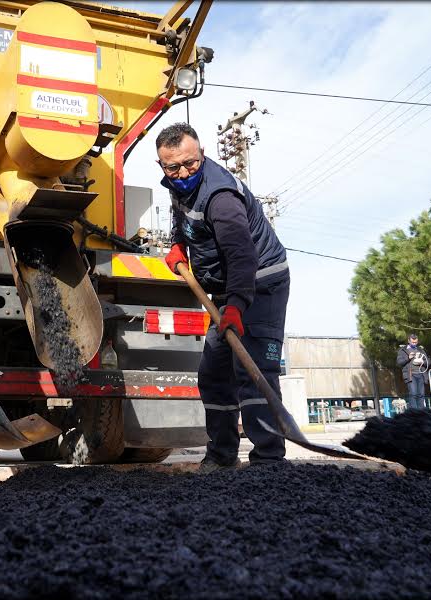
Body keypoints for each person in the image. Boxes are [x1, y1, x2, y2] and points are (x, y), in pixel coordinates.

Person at [157, 122, 290, 473]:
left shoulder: (221, 198)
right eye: (173, 167)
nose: (183, 172)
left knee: (253, 368)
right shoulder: (177, 185)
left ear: (201, 154)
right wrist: (177, 244)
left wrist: (236, 306)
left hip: (259, 284)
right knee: (214, 373)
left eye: (190, 163)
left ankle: (268, 461)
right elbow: (180, 217)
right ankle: (221, 456)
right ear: (163, 166)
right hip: (227, 289)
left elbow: (242, 256)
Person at [396, 334, 430, 409]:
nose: (414, 344)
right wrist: (408, 358)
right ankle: (414, 413)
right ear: (409, 341)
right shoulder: (403, 351)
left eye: (416, 342)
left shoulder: (421, 350)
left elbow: (428, 362)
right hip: (411, 375)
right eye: (412, 342)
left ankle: (422, 412)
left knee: (421, 394)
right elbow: (399, 363)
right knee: (413, 393)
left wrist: (422, 362)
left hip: (421, 374)